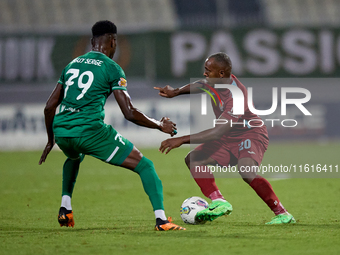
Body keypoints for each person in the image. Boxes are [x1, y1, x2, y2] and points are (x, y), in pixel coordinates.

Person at [39, 20, 185, 231]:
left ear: (92, 42)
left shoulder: (72, 64)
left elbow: (49, 106)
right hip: (90, 131)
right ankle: (162, 220)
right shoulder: (112, 68)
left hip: (61, 131)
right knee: (145, 166)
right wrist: (159, 124)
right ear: (113, 42)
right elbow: (129, 112)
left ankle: (65, 208)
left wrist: (51, 139)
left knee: (74, 156)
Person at [155, 52, 295, 224]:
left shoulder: (236, 96)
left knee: (246, 171)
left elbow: (217, 132)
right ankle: (219, 201)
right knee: (194, 159)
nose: (205, 73)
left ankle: (283, 214)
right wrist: (175, 92)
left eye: (208, 70)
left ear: (221, 73)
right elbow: (200, 85)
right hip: (229, 136)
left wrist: (182, 139)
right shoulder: (215, 82)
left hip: (250, 133)